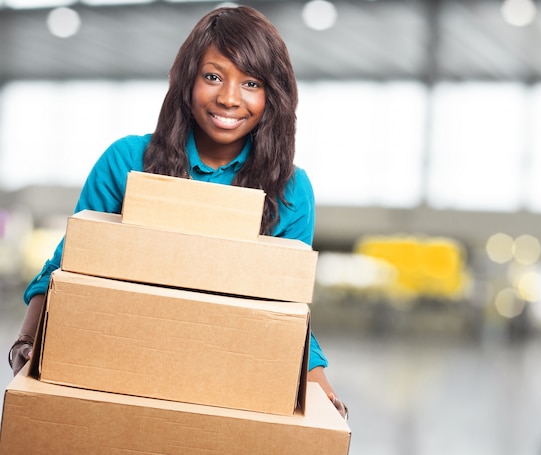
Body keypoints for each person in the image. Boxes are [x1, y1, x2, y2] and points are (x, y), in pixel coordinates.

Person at [8, 5, 347, 419]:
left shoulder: (289, 191)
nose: (228, 98)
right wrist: (26, 341)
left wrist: (318, 384)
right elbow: (68, 270)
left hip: (221, 377)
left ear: (272, 96)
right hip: (118, 364)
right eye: (213, 76)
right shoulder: (127, 162)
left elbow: (287, 311)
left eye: (251, 83)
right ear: (187, 80)